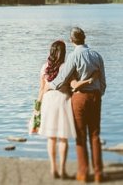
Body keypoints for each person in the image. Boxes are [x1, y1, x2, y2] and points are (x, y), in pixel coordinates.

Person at [49, 27, 106, 183]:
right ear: (84, 38)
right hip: (95, 97)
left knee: (80, 136)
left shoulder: (73, 57)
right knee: (95, 135)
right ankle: (99, 173)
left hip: (79, 99)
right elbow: (103, 83)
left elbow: (61, 79)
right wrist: (97, 94)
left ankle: (83, 172)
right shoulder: (97, 55)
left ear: (71, 40)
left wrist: (49, 86)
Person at [37, 40, 93, 179]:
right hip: (63, 102)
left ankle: (53, 169)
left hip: (48, 102)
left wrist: (37, 107)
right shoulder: (67, 68)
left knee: (51, 138)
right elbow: (74, 86)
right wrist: (88, 81)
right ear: (64, 53)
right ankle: (62, 170)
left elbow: (41, 89)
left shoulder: (44, 68)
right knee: (63, 138)